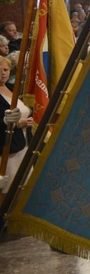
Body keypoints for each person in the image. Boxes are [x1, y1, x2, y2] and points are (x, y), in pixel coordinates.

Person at [0, 56, 33, 192]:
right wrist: (16, 124)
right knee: (8, 191)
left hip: (23, 145)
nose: (3, 73)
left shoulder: (12, 88)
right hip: (6, 150)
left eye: (6, 69)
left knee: (24, 189)